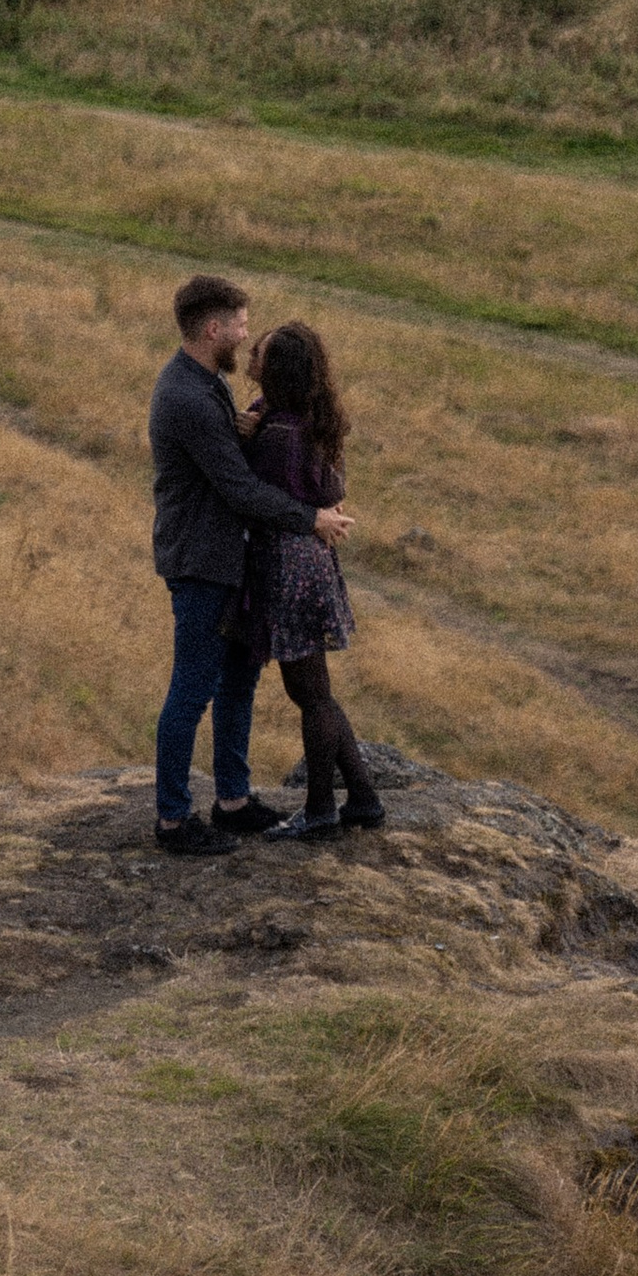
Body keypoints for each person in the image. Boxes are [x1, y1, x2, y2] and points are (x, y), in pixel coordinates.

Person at [149, 274, 354, 858]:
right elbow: (238, 489)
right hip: (200, 561)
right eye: (240, 323)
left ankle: (233, 802)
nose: (246, 333)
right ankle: (171, 820)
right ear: (213, 329)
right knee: (192, 690)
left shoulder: (205, 381)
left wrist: (244, 431)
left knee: (238, 680)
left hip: (230, 559)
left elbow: (232, 467)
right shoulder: (187, 396)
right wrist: (310, 519)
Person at [238, 323, 382, 840]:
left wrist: (239, 431)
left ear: (278, 370)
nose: (251, 353)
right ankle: (362, 797)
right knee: (317, 691)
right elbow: (332, 487)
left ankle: (321, 807)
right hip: (312, 564)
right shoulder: (309, 423)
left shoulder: (276, 437)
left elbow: (245, 490)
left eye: (262, 352)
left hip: (287, 564)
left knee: (311, 695)